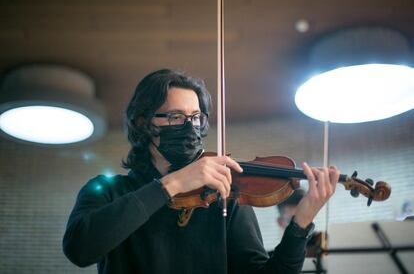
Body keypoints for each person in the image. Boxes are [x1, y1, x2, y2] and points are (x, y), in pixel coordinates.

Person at [62, 69, 340, 274]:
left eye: (195, 118)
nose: (189, 126)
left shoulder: (224, 195)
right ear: (144, 123)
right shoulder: (107, 190)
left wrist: (301, 223)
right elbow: (79, 249)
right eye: (176, 117)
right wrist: (171, 184)